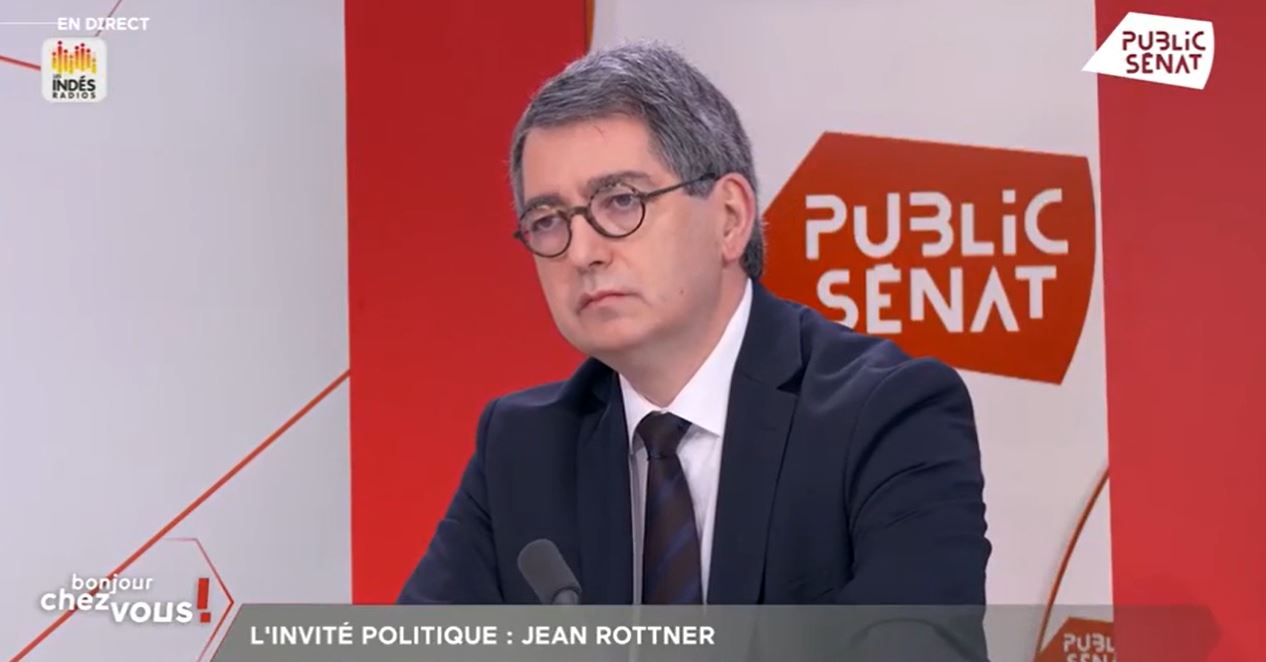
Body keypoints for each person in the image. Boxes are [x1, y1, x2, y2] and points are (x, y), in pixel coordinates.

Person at [398, 41, 989, 606]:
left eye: (621, 201)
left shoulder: (886, 414)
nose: (582, 252)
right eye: (548, 220)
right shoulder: (523, 447)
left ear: (729, 218)